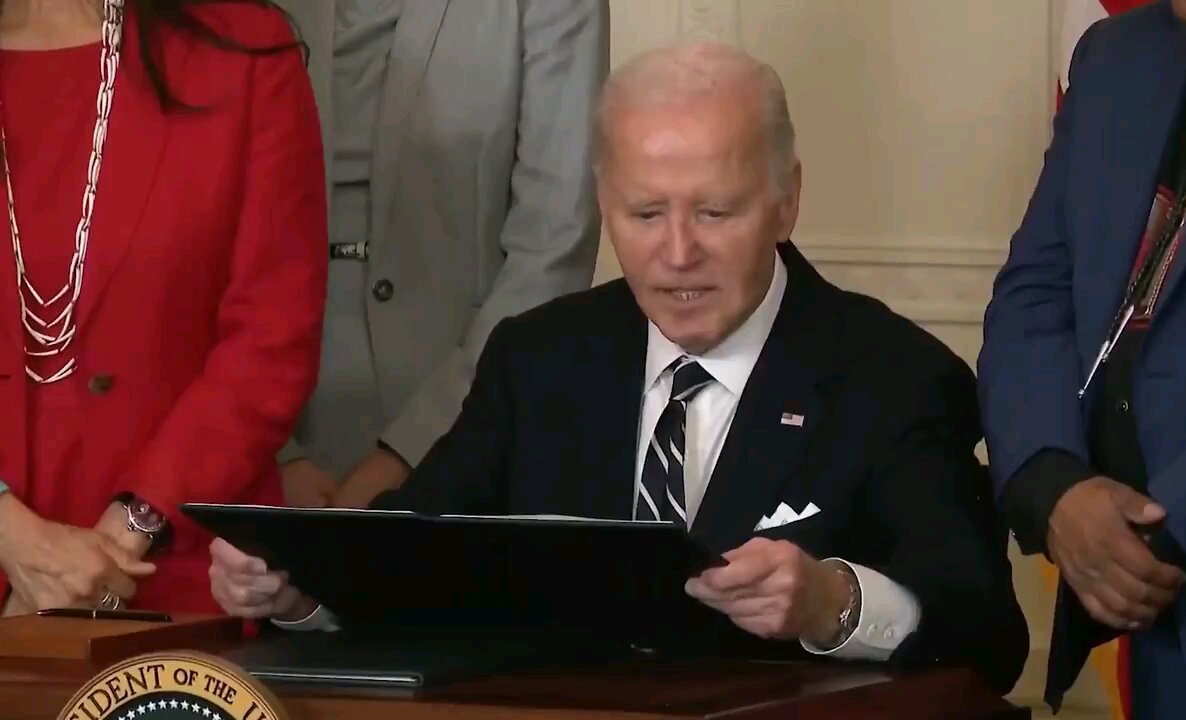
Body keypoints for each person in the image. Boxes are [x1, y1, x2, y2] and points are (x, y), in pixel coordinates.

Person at [210, 40, 1028, 691]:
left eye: (715, 211)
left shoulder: (895, 376)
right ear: (604, 205)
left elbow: (988, 633)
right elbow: (417, 556)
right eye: (643, 214)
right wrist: (304, 590)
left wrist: (832, 604)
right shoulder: (540, 358)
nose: (677, 254)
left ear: (787, 200)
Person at [978, 0, 1186, 717]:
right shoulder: (1115, 56)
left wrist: (1159, 532)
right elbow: (1034, 294)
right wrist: (1054, 487)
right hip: (1143, 622)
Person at [0, 0, 326, 615]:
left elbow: (271, 339)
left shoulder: (242, 48)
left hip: (176, 581)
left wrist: (129, 530)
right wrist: (13, 535)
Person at [271, 0, 608, 509]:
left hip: (462, 412)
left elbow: (553, 245)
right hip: (260, 412)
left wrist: (415, 446)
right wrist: (275, 453)